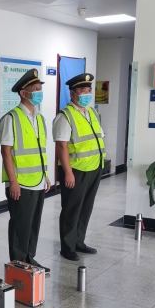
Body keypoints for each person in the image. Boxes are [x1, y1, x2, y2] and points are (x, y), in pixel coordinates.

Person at [0, 69, 51, 272]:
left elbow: (40, 150)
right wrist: (13, 181)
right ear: (23, 93)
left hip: (38, 179)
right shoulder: (11, 118)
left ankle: (30, 257)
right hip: (20, 182)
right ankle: (19, 262)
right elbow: (6, 152)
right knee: (20, 224)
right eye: (35, 89)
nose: (39, 92)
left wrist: (46, 176)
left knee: (33, 224)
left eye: (40, 89)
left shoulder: (39, 118)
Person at [53, 73, 105, 261]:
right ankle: (67, 247)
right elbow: (61, 147)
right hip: (76, 170)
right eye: (83, 90)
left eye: (89, 90)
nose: (87, 94)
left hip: (94, 167)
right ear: (73, 93)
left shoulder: (91, 112)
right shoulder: (65, 116)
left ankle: (79, 241)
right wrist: (68, 172)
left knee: (85, 208)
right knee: (72, 209)